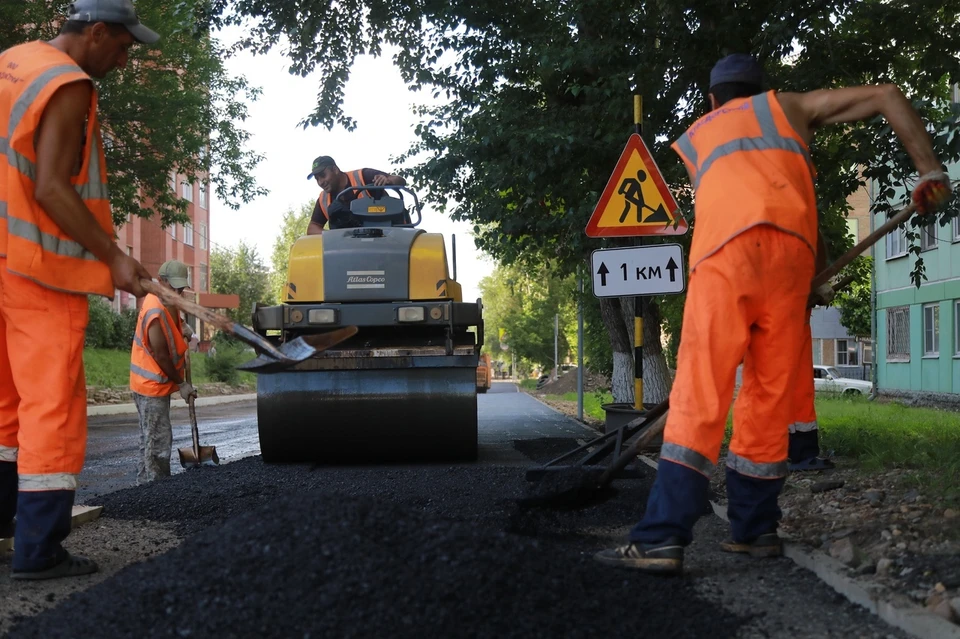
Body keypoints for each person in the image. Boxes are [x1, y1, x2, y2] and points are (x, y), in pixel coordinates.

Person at [595, 53, 951, 574]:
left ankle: (662, 536)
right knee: (767, 402)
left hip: (725, 259)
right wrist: (930, 171)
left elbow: (740, 203)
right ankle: (756, 528)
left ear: (712, 99)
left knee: (701, 395)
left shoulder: (700, 133)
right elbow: (886, 95)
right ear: (764, 89)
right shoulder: (789, 109)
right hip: (791, 262)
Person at [0, 0, 158, 579]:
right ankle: (38, 551)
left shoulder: (12, 62)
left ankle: (3, 525)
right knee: (52, 408)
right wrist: (114, 255)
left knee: (6, 404)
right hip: (39, 268)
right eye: (122, 46)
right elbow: (49, 187)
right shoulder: (69, 84)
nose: (124, 58)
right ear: (95, 33)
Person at [130, 260, 198, 485]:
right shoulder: (154, 309)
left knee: (147, 441)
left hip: (152, 384)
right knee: (157, 444)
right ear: (161, 281)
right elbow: (161, 355)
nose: (178, 292)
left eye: (181, 288)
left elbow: (174, 321)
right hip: (150, 386)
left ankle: (142, 490)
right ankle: (157, 491)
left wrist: (186, 329)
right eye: (174, 287)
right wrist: (182, 384)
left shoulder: (167, 299)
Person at [305, 155, 406, 234]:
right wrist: (331, 236)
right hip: (351, 250)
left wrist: (388, 180)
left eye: (323, 176)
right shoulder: (324, 199)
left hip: (387, 237)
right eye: (317, 179)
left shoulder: (363, 176)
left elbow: (400, 181)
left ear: (335, 170)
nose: (320, 182)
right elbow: (312, 228)